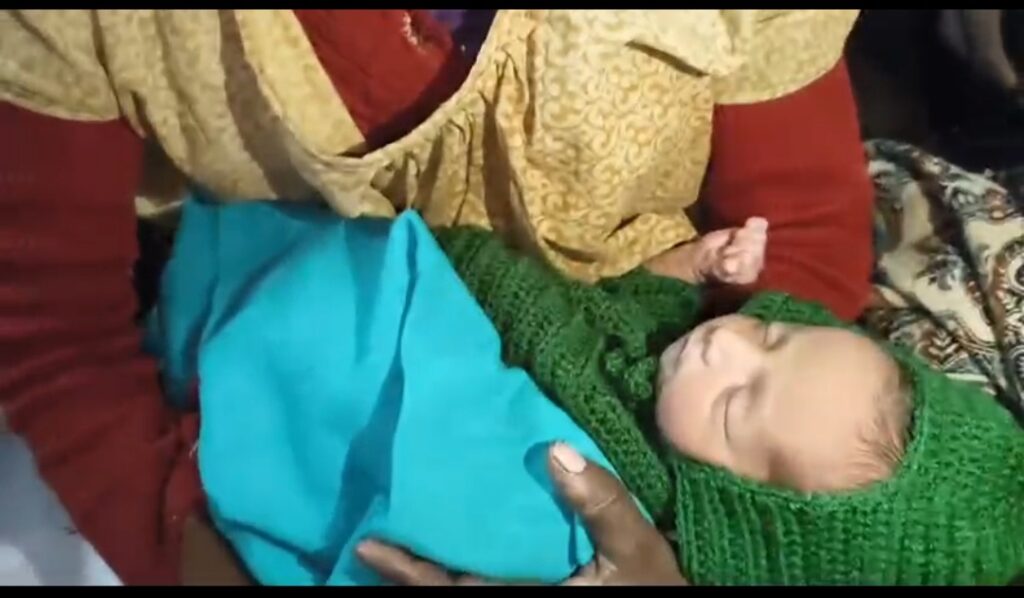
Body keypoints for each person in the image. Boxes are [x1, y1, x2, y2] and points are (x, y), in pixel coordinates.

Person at [0, 10, 875, 584]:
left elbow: (801, 241)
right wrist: (212, 563)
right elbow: (59, 336)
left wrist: (679, 551)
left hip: (655, 452)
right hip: (255, 424)